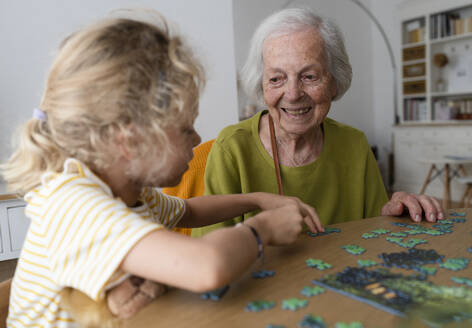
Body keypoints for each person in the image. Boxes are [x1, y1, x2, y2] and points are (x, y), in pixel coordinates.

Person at [1, 12, 323, 327]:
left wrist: (257, 200)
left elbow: (191, 212)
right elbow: (206, 265)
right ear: (130, 140)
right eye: (185, 129)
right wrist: (262, 229)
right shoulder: (72, 205)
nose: (197, 139)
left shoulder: (129, 193)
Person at [193, 7, 443, 237]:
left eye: (309, 76)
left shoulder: (354, 144)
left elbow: (374, 233)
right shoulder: (232, 149)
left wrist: (395, 212)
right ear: (261, 84)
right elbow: (206, 257)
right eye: (276, 79)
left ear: (335, 81)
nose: (292, 94)